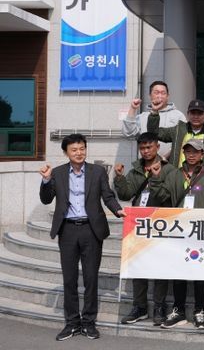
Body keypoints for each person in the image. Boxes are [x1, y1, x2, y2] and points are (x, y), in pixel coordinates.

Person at [38, 134, 126, 341]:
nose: (79, 153)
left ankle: (88, 323)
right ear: (66, 153)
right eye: (74, 150)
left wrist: (117, 210)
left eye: (82, 149)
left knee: (91, 278)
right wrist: (46, 180)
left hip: (91, 230)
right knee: (69, 279)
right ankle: (71, 323)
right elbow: (46, 199)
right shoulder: (57, 173)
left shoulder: (97, 171)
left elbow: (107, 195)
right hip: (67, 230)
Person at [113, 132, 175, 326]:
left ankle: (159, 306)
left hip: (160, 224)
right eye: (142, 148)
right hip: (138, 224)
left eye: (149, 147)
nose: (146, 151)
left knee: (159, 268)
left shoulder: (169, 169)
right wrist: (119, 178)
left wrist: (155, 178)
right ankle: (139, 307)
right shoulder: (136, 170)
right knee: (138, 266)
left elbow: (168, 197)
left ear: (157, 147)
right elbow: (125, 194)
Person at [161, 139, 204, 330]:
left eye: (195, 151)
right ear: (183, 153)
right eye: (188, 151)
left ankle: (199, 311)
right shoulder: (174, 175)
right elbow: (163, 199)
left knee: (200, 273)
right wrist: (155, 179)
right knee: (178, 271)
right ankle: (178, 310)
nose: (191, 155)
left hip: (200, 232)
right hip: (179, 231)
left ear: (202, 154)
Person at [147, 99, 204, 177]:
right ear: (188, 114)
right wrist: (154, 113)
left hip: (201, 180)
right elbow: (154, 133)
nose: (196, 116)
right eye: (193, 113)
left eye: (199, 113)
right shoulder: (178, 130)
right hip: (178, 178)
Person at [122, 80, 186, 159]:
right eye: (156, 93)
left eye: (163, 93)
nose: (159, 96)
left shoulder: (178, 115)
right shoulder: (143, 116)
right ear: (150, 95)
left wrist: (165, 158)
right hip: (146, 163)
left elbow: (183, 140)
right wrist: (132, 109)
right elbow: (128, 133)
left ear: (168, 96)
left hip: (170, 163)